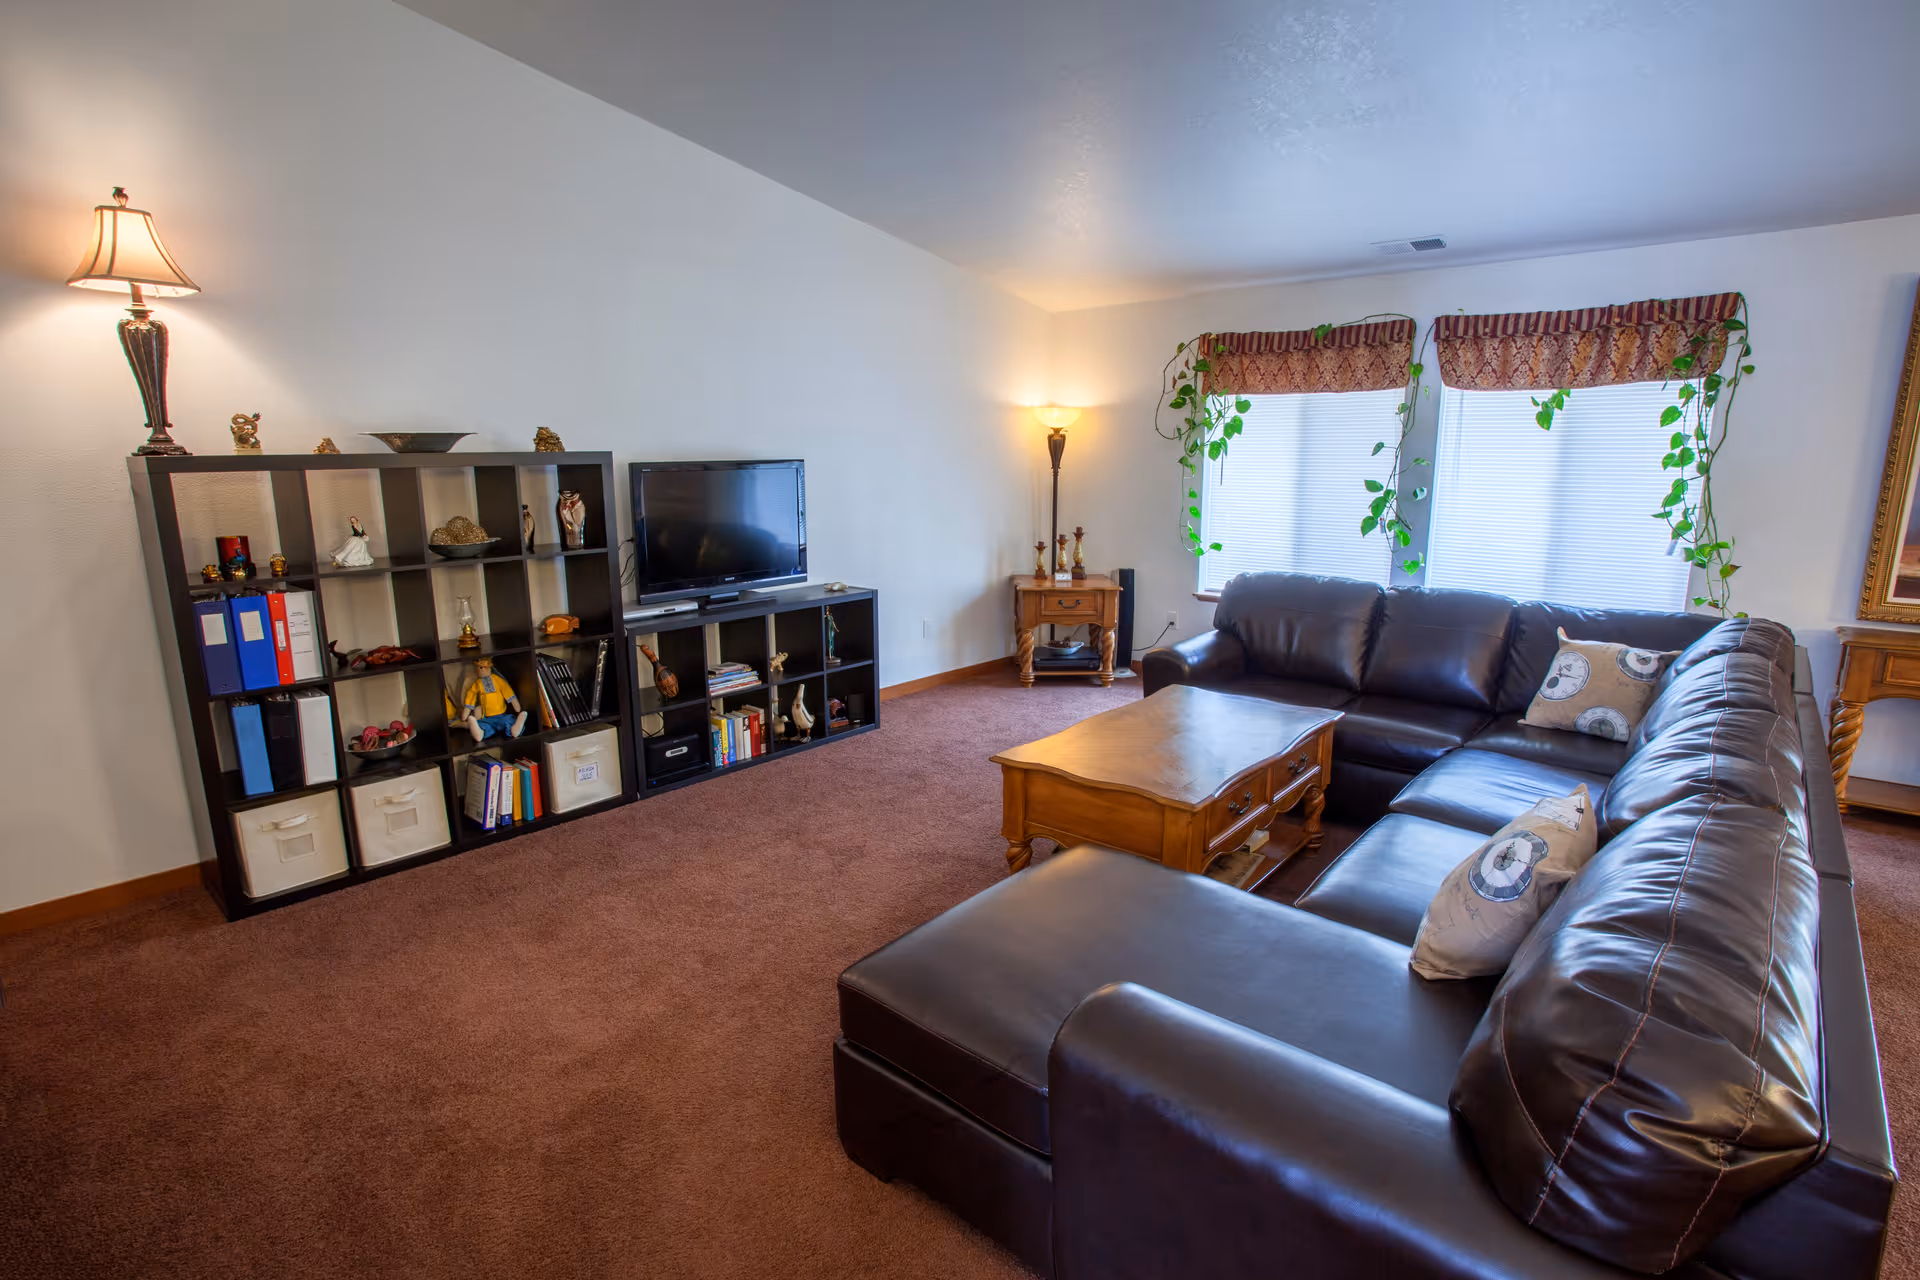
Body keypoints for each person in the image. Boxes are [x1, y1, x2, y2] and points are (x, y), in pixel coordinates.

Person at [461, 657, 527, 741]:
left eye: (485, 667)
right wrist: (467, 711)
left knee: (508, 721)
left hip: (502, 715)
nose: (483, 670)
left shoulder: (497, 680)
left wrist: (516, 706)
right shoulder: (477, 684)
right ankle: (479, 733)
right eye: (480, 668)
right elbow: (471, 696)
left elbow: (507, 690)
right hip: (487, 718)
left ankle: (515, 729)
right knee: (484, 725)